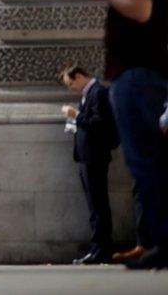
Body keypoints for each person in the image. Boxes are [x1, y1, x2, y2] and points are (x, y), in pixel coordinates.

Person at [78, 0, 168, 269]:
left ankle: (161, 241)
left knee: (145, 160)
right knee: (148, 159)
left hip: (137, 73)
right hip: (139, 72)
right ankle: (155, 241)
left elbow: (143, 11)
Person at [59, 66, 117, 264]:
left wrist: (76, 115)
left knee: (98, 205)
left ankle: (101, 249)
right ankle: (99, 248)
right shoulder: (89, 94)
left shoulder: (98, 93)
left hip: (95, 156)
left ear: (80, 76)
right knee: (95, 206)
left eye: (71, 83)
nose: (71, 88)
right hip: (87, 156)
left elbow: (100, 124)